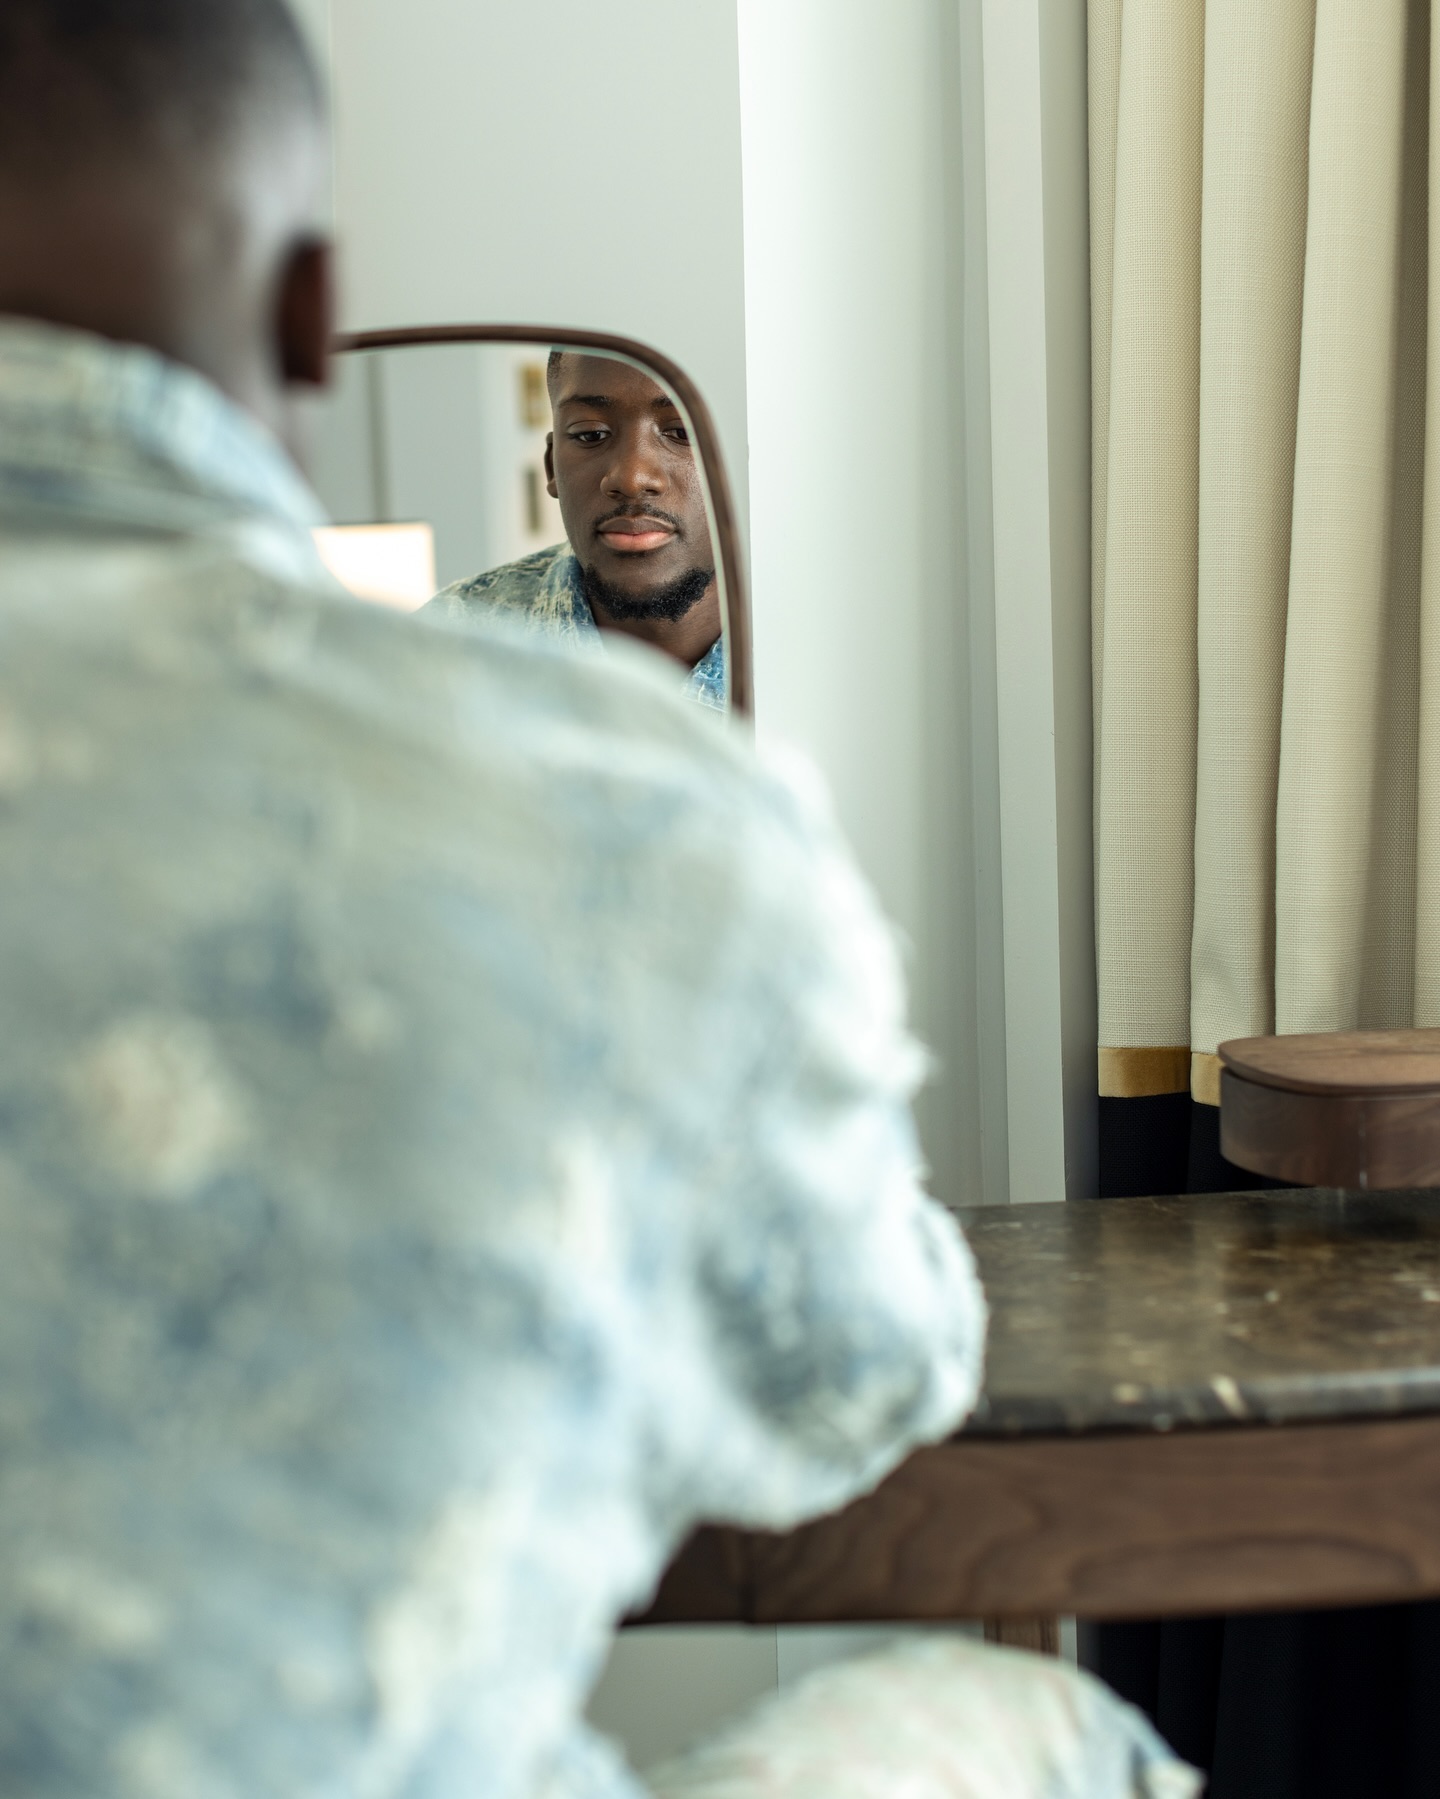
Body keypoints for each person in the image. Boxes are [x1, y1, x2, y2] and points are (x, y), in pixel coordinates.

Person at [0, 3, 1194, 1795]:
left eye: (663, 436)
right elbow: (858, 1375)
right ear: (318, 314)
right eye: (588, 432)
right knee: (1055, 1726)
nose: (631, 470)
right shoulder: (600, 787)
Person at [428, 351, 728, 709]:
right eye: (590, 435)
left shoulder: (810, 643)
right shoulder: (446, 643)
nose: (631, 478)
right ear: (551, 467)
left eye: (681, 432)